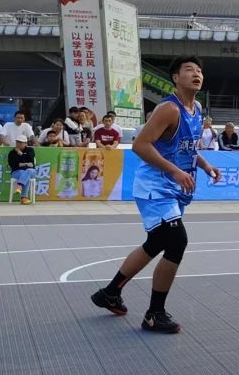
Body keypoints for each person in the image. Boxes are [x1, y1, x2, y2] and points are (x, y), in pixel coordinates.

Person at [90, 56, 221, 333]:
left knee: (156, 243)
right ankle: (154, 314)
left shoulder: (197, 108)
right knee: (177, 242)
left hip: (174, 188)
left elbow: (186, 147)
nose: (196, 74)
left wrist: (205, 165)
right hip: (155, 187)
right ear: (175, 77)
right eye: (189, 70)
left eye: (199, 70)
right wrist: (174, 171)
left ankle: (110, 293)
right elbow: (140, 145)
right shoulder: (169, 109)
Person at [8, 136, 36, 204]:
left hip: (31, 171)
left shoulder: (30, 150)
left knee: (28, 171)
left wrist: (21, 155)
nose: (18, 144)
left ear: (25, 143)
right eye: (17, 142)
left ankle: (20, 185)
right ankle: (24, 198)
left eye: (20, 142)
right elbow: (13, 165)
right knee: (24, 174)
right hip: (17, 171)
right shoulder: (12, 153)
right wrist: (26, 164)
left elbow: (31, 162)